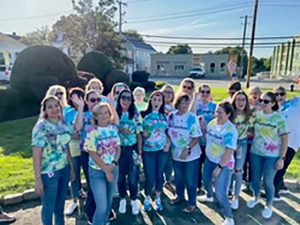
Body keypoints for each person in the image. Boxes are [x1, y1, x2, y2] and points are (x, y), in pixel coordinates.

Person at [32, 95, 75, 225]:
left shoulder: (63, 124)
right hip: (49, 173)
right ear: (44, 110)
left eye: (56, 106)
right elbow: (36, 153)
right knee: (48, 207)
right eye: (50, 107)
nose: (54, 109)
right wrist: (38, 179)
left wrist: (71, 167)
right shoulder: (41, 127)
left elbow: (66, 147)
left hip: (64, 169)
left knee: (60, 207)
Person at [246, 92, 288, 219]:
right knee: (255, 179)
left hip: (272, 155)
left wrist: (281, 158)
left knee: (268, 181)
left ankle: (269, 204)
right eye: (261, 100)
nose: (262, 103)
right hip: (256, 153)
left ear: (273, 103)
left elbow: (285, 139)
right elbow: (249, 128)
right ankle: (256, 197)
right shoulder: (257, 115)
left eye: (266, 101)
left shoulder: (278, 118)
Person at [199, 102, 238, 225]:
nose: (217, 114)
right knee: (205, 180)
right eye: (216, 111)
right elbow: (208, 137)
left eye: (220, 112)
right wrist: (203, 126)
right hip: (210, 159)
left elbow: (230, 150)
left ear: (228, 114)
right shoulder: (212, 123)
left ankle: (229, 217)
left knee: (221, 192)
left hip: (224, 163)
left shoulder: (230, 130)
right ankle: (209, 196)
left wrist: (220, 167)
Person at [84, 103, 121, 225]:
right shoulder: (92, 132)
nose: (104, 115)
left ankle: (104, 222)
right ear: (95, 116)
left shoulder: (113, 129)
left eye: (106, 112)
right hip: (97, 172)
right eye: (101, 113)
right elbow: (92, 153)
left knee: (109, 201)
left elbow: (118, 148)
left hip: (113, 169)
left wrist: (114, 164)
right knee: (102, 206)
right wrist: (106, 169)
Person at [168, 94, 202, 213]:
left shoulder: (192, 118)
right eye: (183, 102)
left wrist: (187, 149)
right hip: (176, 153)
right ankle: (180, 196)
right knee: (179, 177)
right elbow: (168, 131)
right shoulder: (171, 116)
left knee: (190, 180)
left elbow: (196, 138)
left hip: (190, 155)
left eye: (187, 103)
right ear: (177, 103)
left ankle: (192, 202)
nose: (186, 105)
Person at [141, 91, 170, 211]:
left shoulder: (164, 116)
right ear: (150, 101)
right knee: (150, 175)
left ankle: (158, 197)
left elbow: (167, 132)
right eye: (154, 100)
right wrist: (144, 136)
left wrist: (168, 143)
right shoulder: (144, 116)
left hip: (162, 150)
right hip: (149, 150)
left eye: (159, 100)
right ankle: (147, 197)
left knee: (159, 174)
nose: (157, 102)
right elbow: (139, 133)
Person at [116, 89, 142, 215]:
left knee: (133, 178)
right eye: (123, 98)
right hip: (118, 150)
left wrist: (140, 152)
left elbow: (139, 133)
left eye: (128, 98)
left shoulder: (134, 114)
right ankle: (122, 198)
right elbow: (109, 126)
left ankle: (133, 199)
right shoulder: (114, 113)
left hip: (132, 149)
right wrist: (120, 129)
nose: (125, 101)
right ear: (119, 99)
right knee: (120, 178)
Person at [272, 86, 300, 199]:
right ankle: (281, 186)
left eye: (281, 94)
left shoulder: (295, 103)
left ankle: (274, 193)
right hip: (277, 142)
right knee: (278, 166)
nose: (279, 97)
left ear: (286, 94)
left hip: (292, 141)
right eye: (276, 94)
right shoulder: (275, 109)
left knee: (280, 167)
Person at [64, 88, 86, 216]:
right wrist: (72, 136)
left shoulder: (87, 111)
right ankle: (74, 201)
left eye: (78, 97)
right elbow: (64, 131)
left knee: (90, 176)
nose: (76, 100)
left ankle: (90, 199)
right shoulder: (68, 113)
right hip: (73, 149)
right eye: (73, 97)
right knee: (74, 176)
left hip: (87, 149)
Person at [230, 91, 252, 210]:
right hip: (229, 144)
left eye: (243, 99)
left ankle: (236, 196)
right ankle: (226, 190)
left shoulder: (249, 115)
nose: (241, 102)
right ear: (234, 101)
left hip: (242, 143)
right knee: (227, 168)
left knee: (238, 170)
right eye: (238, 99)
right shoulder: (230, 114)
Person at [195, 84, 217, 193]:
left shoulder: (214, 106)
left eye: (207, 92)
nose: (205, 94)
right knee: (197, 164)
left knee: (209, 164)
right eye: (202, 91)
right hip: (197, 140)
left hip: (210, 141)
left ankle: (209, 185)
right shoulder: (196, 106)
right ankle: (198, 185)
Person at [243, 86, 262, 184]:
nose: (254, 95)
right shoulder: (246, 106)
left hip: (257, 139)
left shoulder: (262, 106)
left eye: (257, 93)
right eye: (252, 93)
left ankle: (251, 181)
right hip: (244, 138)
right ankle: (242, 180)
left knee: (253, 162)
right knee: (243, 159)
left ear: (260, 94)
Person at [160, 84, 176, 191]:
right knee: (160, 161)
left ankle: (168, 181)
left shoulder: (175, 108)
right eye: (165, 92)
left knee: (169, 161)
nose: (168, 94)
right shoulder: (157, 105)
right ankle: (157, 183)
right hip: (159, 138)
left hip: (172, 139)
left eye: (170, 92)